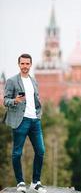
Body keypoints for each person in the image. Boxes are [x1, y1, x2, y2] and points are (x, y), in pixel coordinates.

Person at [4, 54, 47, 193]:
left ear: (30, 65)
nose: (25, 66)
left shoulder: (34, 81)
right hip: (20, 121)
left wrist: (38, 113)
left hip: (35, 121)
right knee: (17, 153)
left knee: (40, 151)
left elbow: (37, 99)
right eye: (22, 64)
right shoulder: (11, 81)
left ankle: (35, 182)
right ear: (19, 65)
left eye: (27, 64)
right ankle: (20, 182)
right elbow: (5, 100)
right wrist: (15, 100)